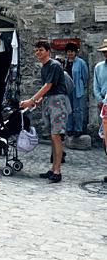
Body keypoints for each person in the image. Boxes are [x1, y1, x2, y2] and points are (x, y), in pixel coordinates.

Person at [20, 40, 68, 184]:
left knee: (56, 135)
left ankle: (57, 170)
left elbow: (48, 86)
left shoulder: (54, 65)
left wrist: (31, 100)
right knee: (52, 137)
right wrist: (39, 101)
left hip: (57, 102)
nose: (38, 53)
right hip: (49, 101)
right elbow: (47, 89)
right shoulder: (44, 67)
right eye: (36, 51)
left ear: (48, 51)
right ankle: (53, 168)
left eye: (41, 50)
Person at [64, 42, 89, 137]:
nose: (70, 53)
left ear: (75, 52)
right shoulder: (65, 62)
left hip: (77, 88)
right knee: (68, 109)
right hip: (67, 89)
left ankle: (78, 129)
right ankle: (69, 128)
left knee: (78, 109)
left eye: (72, 51)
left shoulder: (81, 62)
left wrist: (81, 85)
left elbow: (85, 76)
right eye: (68, 51)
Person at [93, 38, 107, 110]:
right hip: (102, 101)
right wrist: (100, 100)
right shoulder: (98, 67)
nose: (106, 53)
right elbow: (96, 86)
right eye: (104, 52)